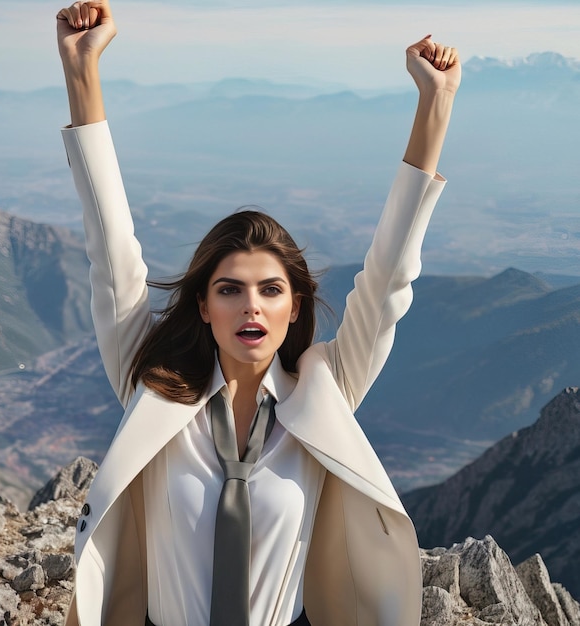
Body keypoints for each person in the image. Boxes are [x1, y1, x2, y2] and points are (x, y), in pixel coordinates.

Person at [56, 2, 461, 625]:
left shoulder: (326, 390)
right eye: (230, 289)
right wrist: (82, 71)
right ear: (203, 305)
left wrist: (435, 106)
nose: (251, 305)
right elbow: (111, 255)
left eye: (271, 290)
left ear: (294, 306)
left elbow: (387, 280)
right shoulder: (152, 387)